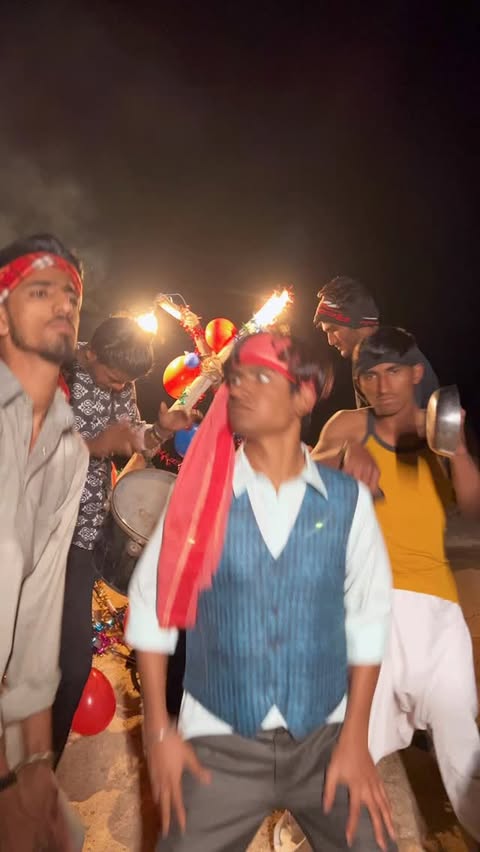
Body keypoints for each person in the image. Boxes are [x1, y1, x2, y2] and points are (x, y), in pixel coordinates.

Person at [126, 331, 397, 852]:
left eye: (261, 375)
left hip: (323, 738)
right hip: (218, 741)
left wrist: (355, 739)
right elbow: (150, 608)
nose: (241, 388)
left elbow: (369, 618)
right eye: (237, 377)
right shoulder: (199, 498)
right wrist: (158, 731)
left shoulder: (346, 501)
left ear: (304, 396)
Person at [315, 326, 480, 842]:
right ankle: (310, 832)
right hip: (371, 605)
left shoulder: (438, 430)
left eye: (392, 371)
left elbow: (472, 508)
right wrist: (342, 458)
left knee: (464, 748)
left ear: (414, 374)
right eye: (370, 375)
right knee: (354, 744)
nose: (382, 385)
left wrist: (458, 451)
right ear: (359, 381)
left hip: (438, 610)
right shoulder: (348, 425)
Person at [52, 315, 196, 764]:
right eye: (114, 378)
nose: (119, 388)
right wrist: (94, 445)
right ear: (91, 352)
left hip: (82, 535)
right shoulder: (52, 366)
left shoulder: (122, 383)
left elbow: (136, 438)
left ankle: (42, 769)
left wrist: (161, 431)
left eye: (126, 383)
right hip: (35, 529)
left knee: (73, 666)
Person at [0, 234, 89, 849]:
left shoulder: (69, 450)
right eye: (40, 291)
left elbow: (37, 613)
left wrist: (34, 764)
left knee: (61, 835)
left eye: (72, 297)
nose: (63, 305)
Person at [314, 275, 438, 407]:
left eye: (333, 329)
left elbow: (399, 417)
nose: (330, 341)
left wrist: (343, 418)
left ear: (355, 321)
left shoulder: (391, 355)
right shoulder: (373, 356)